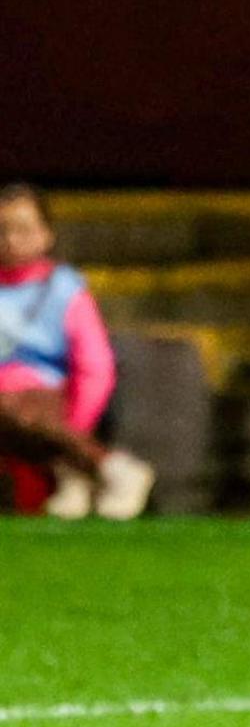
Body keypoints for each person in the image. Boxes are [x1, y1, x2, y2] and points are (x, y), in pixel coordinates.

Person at [0, 184, 153, 520]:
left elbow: (94, 367)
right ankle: (86, 466)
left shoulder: (64, 289)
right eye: (2, 231)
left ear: (46, 234)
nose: (11, 240)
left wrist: (73, 427)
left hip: (44, 401)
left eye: (23, 229)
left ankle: (97, 464)